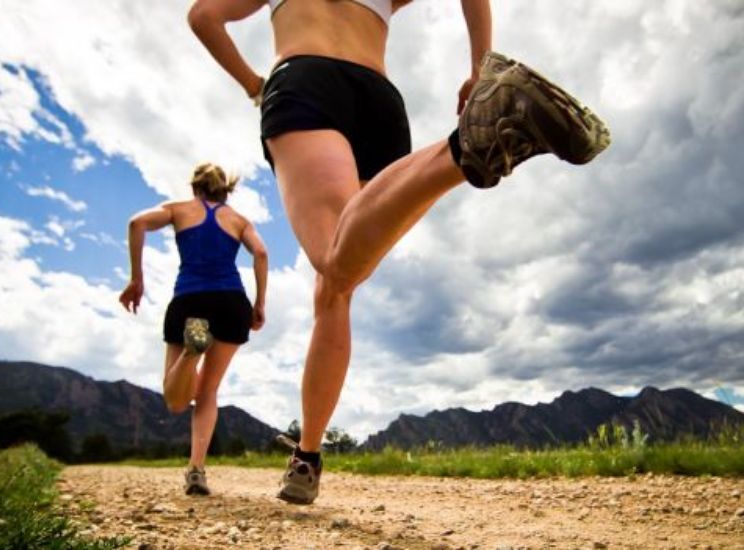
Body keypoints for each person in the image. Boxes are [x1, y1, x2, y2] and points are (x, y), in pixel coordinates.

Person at [187, 0, 610, 504]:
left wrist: (255, 85)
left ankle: (461, 151)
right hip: (379, 101)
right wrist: (479, 66)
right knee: (335, 289)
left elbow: (204, 16)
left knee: (332, 257)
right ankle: (308, 457)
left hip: (304, 79)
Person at [119, 162, 268, 495]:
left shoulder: (177, 209)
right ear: (225, 189)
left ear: (195, 187)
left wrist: (136, 279)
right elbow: (260, 252)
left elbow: (137, 222)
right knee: (208, 392)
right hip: (231, 302)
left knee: (176, 401)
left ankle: (190, 353)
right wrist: (259, 304)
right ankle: (197, 470)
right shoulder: (239, 220)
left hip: (190, 301)